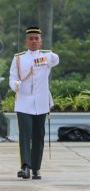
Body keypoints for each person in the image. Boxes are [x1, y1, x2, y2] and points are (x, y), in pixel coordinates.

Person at [9, 26, 59, 179]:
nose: (34, 41)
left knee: (39, 136)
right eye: (31, 38)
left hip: (41, 103)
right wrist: (15, 85)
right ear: (26, 41)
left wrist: (41, 58)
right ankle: (25, 166)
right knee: (25, 134)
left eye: (36, 38)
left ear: (40, 40)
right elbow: (12, 78)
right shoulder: (18, 58)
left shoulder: (48, 56)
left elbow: (56, 59)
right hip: (24, 102)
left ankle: (36, 168)